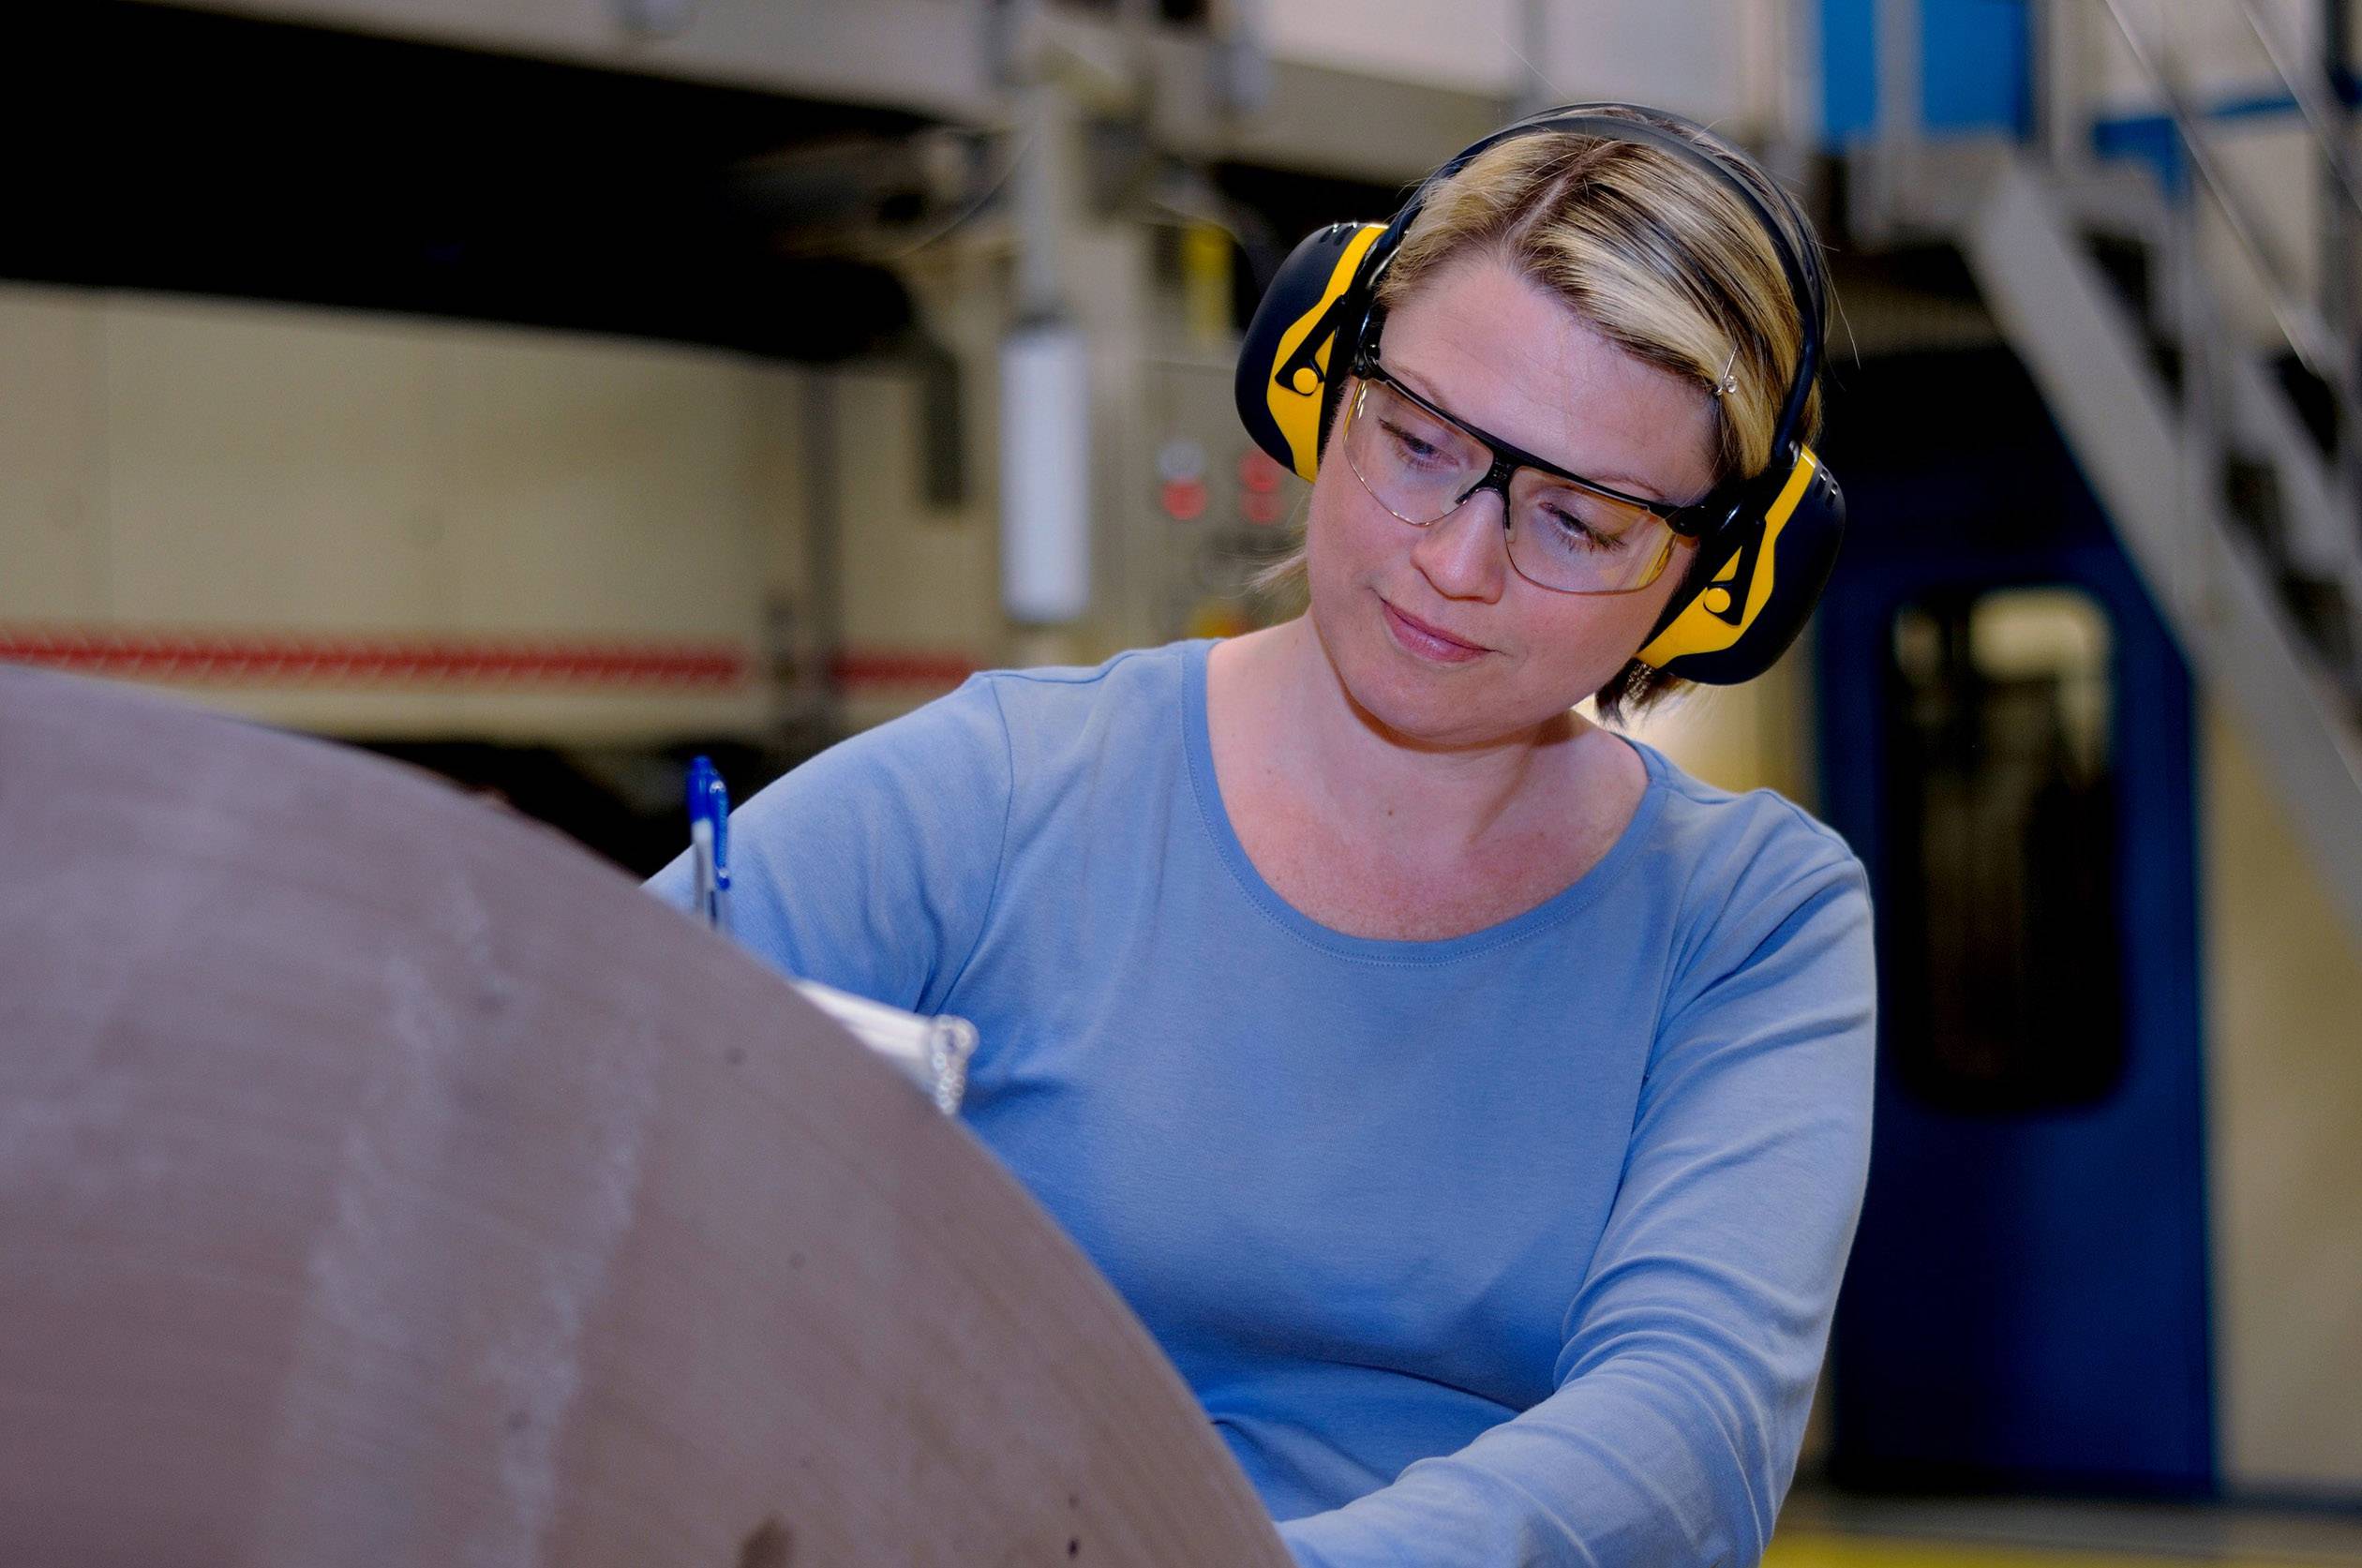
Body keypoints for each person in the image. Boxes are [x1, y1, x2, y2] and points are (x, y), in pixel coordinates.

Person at [650, 103, 1875, 1568]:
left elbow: (1688, 1427)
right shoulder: (994, 796)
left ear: (1718, 579)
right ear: (1314, 377)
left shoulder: (1750, 922)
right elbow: (563, 1094)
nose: (1455, 558)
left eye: (1578, 523)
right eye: (1416, 441)